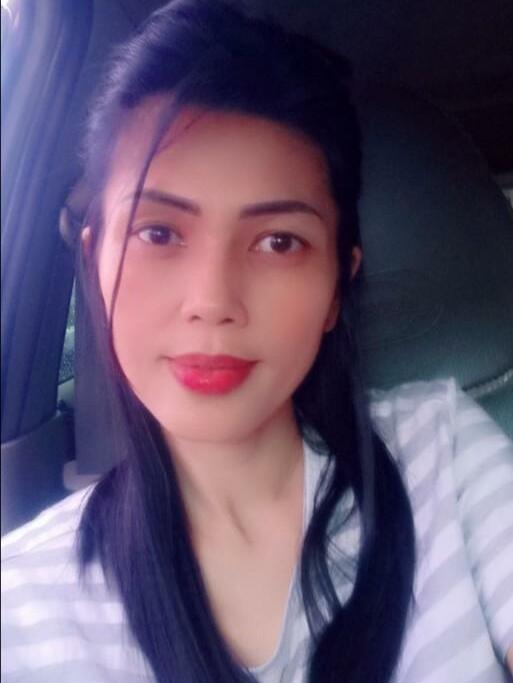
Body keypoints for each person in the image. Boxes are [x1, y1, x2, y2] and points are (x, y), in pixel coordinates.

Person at [2, 1, 512, 681]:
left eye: (279, 242)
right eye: (159, 232)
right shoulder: (22, 607)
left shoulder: (443, 454)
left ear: (337, 287)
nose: (213, 301)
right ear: (94, 262)